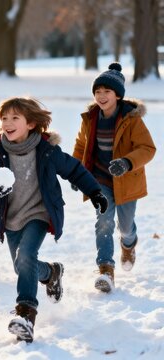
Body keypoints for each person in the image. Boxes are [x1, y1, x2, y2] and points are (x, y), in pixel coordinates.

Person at [0, 97, 108, 343]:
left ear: (32, 124)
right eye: (4, 118)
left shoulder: (46, 151)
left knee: (26, 257)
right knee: (22, 265)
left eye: (15, 118)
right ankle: (51, 273)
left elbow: (74, 170)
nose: (7, 123)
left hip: (38, 214)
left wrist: (95, 191)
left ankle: (26, 314)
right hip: (10, 218)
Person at [72, 62, 156, 293]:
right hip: (99, 179)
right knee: (104, 222)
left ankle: (128, 243)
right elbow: (81, 146)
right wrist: (75, 172)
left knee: (125, 226)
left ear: (117, 95)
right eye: (97, 92)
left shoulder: (132, 119)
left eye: (106, 92)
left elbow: (147, 148)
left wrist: (127, 162)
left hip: (127, 181)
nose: (101, 96)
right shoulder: (90, 118)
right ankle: (106, 270)